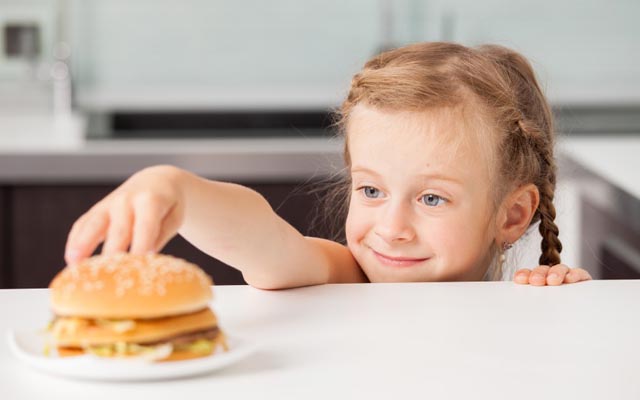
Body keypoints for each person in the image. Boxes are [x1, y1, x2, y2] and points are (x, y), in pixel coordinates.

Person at [64, 42, 592, 288]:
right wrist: (176, 188)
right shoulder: (348, 276)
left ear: (513, 216)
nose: (391, 230)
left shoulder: (524, 301)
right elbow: (264, 239)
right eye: (370, 191)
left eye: (431, 198)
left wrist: (562, 302)